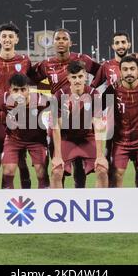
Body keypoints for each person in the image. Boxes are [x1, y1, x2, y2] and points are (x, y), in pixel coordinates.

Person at [28, 28, 101, 188]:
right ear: (53, 42)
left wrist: (92, 88)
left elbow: (101, 72)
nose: (61, 41)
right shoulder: (46, 64)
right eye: (58, 39)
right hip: (60, 112)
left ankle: (79, 191)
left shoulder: (82, 59)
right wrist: (49, 93)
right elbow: (30, 79)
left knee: (80, 165)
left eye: (64, 39)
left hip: (82, 115)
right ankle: (55, 194)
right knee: (56, 159)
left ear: (70, 42)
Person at [91, 31, 138, 188]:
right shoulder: (106, 66)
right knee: (113, 169)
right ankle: (114, 202)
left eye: (123, 42)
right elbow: (92, 89)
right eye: (117, 43)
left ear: (128, 44)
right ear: (113, 46)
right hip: (113, 127)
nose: (121, 45)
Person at [0, 22, 32, 189]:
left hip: (20, 119)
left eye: (11, 36)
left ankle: (27, 194)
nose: (7, 39)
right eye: (4, 36)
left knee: (21, 159)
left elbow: (31, 86)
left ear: (16, 39)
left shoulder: (25, 61)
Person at [50, 60, 108, 188]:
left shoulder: (94, 94)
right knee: (56, 171)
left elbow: (98, 124)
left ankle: (99, 204)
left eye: (80, 76)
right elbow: (56, 126)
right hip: (67, 139)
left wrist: (100, 156)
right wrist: (58, 156)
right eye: (74, 77)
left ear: (86, 77)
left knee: (102, 170)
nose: (77, 80)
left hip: (87, 138)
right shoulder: (59, 95)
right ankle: (57, 205)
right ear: (68, 78)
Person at [102, 56, 138, 187]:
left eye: (132, 69)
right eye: (125, 69)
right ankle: (118, 206)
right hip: (121, 142)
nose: (129, 72)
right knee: (116, 175)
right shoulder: (112, 90)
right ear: (120, 72)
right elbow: (96, 108)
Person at [0, 74, 50, 189]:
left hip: (37, 140)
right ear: (10, 90)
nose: (20, 93)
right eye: (16, 90)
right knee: (8, 170)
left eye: (23, 90)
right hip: (14, 139)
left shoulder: (41, 101)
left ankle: (43, 200)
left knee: (41, 171)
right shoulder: (4, 100)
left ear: (28, 89)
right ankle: (6, 201)